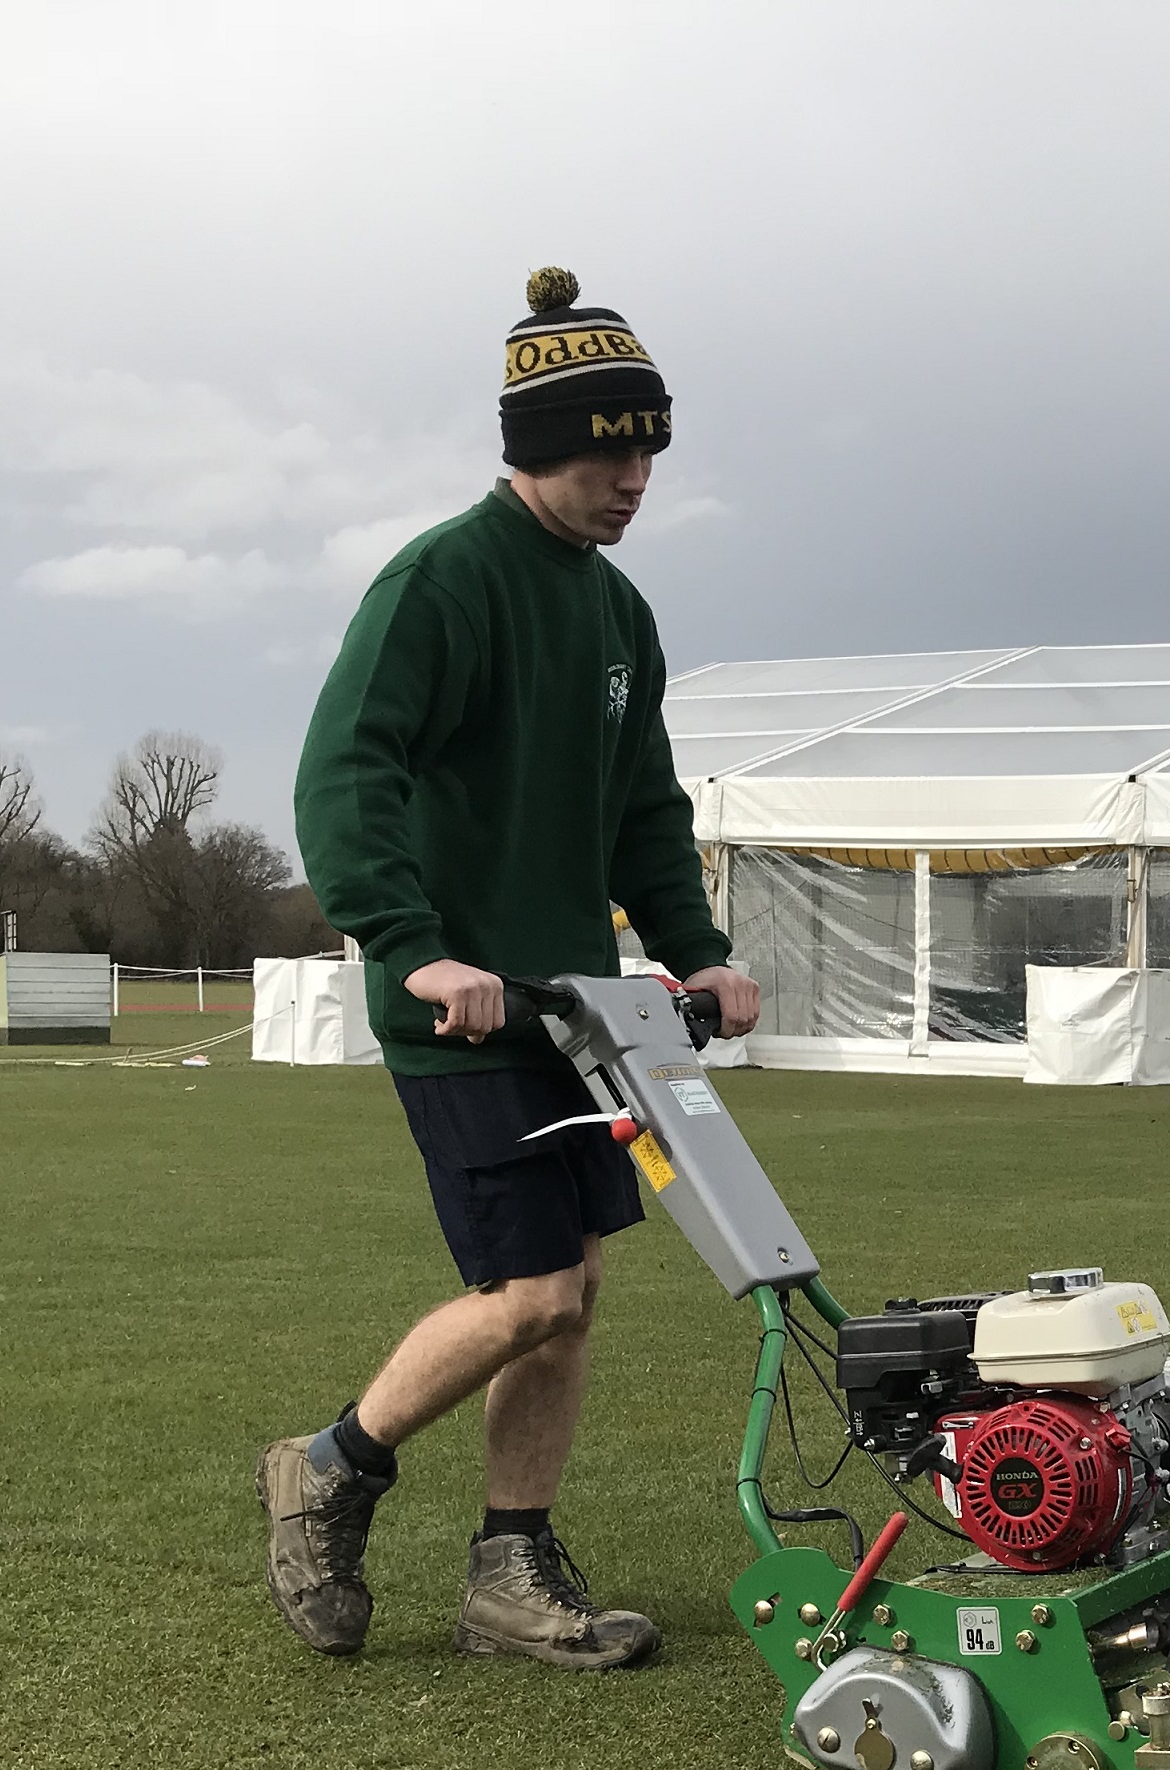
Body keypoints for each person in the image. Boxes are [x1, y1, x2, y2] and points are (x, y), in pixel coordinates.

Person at [257, 266, 758, 1672]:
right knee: (528, 1292)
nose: (633, 481)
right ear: (537, 447)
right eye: (607, 454)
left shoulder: (618, 614)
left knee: (574, 1298)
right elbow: (346, 773)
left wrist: (698, 952)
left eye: (648, 453)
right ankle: (326, 1467)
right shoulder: (440, 583)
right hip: (461, 1013)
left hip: (581, 1015)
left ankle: (509, 1565)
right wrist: (413, 949)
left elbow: (642, 807)